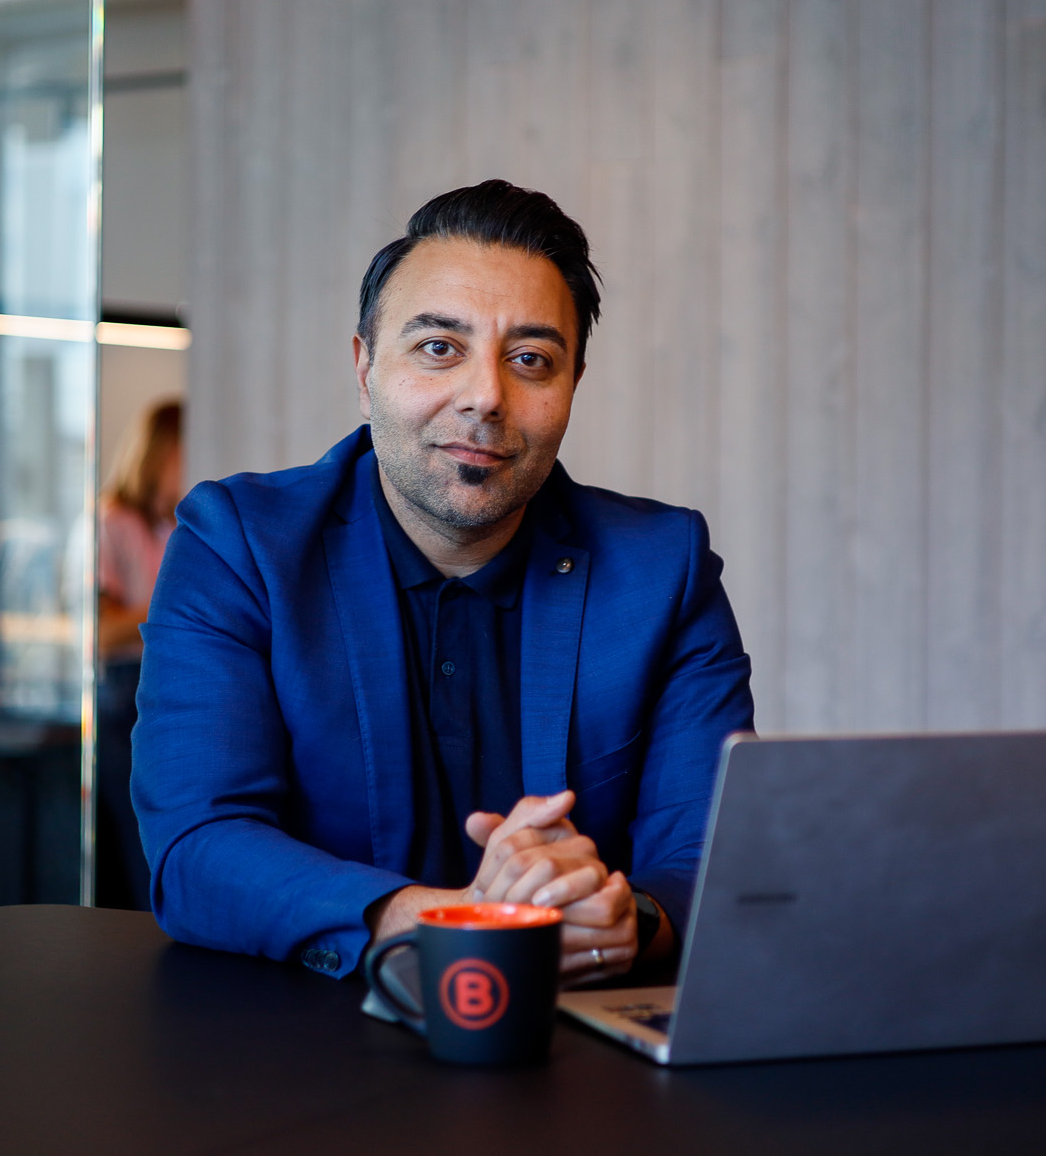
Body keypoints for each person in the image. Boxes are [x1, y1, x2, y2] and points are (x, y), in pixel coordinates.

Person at [133, 181, 753, 984]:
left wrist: (624, 919)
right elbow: (197, 846)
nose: (486, 396)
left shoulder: (663, 569)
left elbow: (709, 857)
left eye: (530, 360)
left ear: (573, 383)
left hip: (571, 1034)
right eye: (438, 347)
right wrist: (452, 924)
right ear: (365, 367)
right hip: (308, 1033)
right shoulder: (239, 546)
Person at [95, 398, 184, 909]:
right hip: (123, 689)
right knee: (140, 843)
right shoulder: (112, 521)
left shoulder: (183, 523)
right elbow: (100, 632)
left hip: (175, 679)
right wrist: (176, 607)